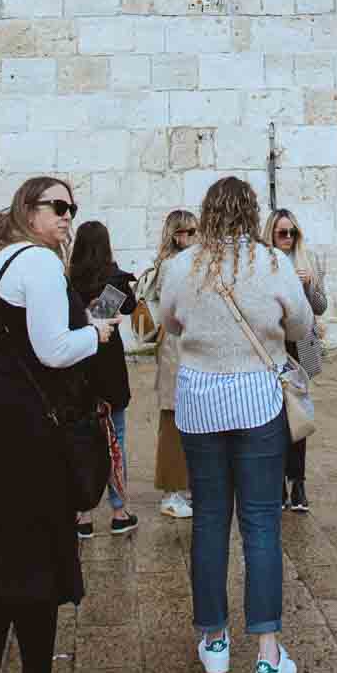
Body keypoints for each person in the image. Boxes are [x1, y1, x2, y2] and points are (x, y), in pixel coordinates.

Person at [0, 176, 117, 673]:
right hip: (25, 426)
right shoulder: (41, 264)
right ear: (29, 209)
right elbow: (53, 349)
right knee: (33, 547)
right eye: (58, 207)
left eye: (72, 207)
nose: (68, 216)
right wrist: (97, 334)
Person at [156, 175, 312, 673]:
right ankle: (268, 656)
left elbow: (169, 322)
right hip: (256, 398)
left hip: (200, 400)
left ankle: (215, 639)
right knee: (262, 522)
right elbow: (301, 325)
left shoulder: (182, 265)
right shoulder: (272, 263)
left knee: (209, 519)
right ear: (251, 212)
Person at [67, 219, 140, 538]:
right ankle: (119, 510)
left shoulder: (68, 281)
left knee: (81, 439)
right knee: (116, 439)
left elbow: (77, 320)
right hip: (107, 365)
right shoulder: (115, 280)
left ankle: (81, 513)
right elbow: (127, 308)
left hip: (78, 366)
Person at [262, 209, 327, 513]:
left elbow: (320, 307)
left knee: (300, 415)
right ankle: (275, 483)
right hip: (273, 347)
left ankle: (297, 482)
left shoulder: (307, 260)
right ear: (271, 234)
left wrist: (309, 283)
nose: (288, 239)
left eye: (292, 233)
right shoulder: (262, 263)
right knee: (274, 418)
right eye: (282, 233)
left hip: (300, 348)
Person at [137, 209, 198, 519]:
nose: (188, 238)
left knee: (187, 422)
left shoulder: (183, 263)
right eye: (183, 232)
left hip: (184, 351)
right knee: (174, 422)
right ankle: (172, 492)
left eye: (193, 231)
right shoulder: (173, 266)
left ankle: (184, 488)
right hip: (175, 351)